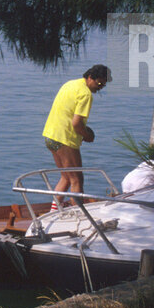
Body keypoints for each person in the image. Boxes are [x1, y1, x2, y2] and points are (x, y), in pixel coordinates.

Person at [42, 64, 111, 209]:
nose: (100, 88)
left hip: (50, 135)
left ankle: (54, 211)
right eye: (99, 83)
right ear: (90, 77)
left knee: (66, 177)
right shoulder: (86, 94)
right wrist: (87, 136)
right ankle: (80, 214)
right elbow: (76, 123)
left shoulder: (70, 84)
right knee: (77, 180)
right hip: (65, 138)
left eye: (103, 86)